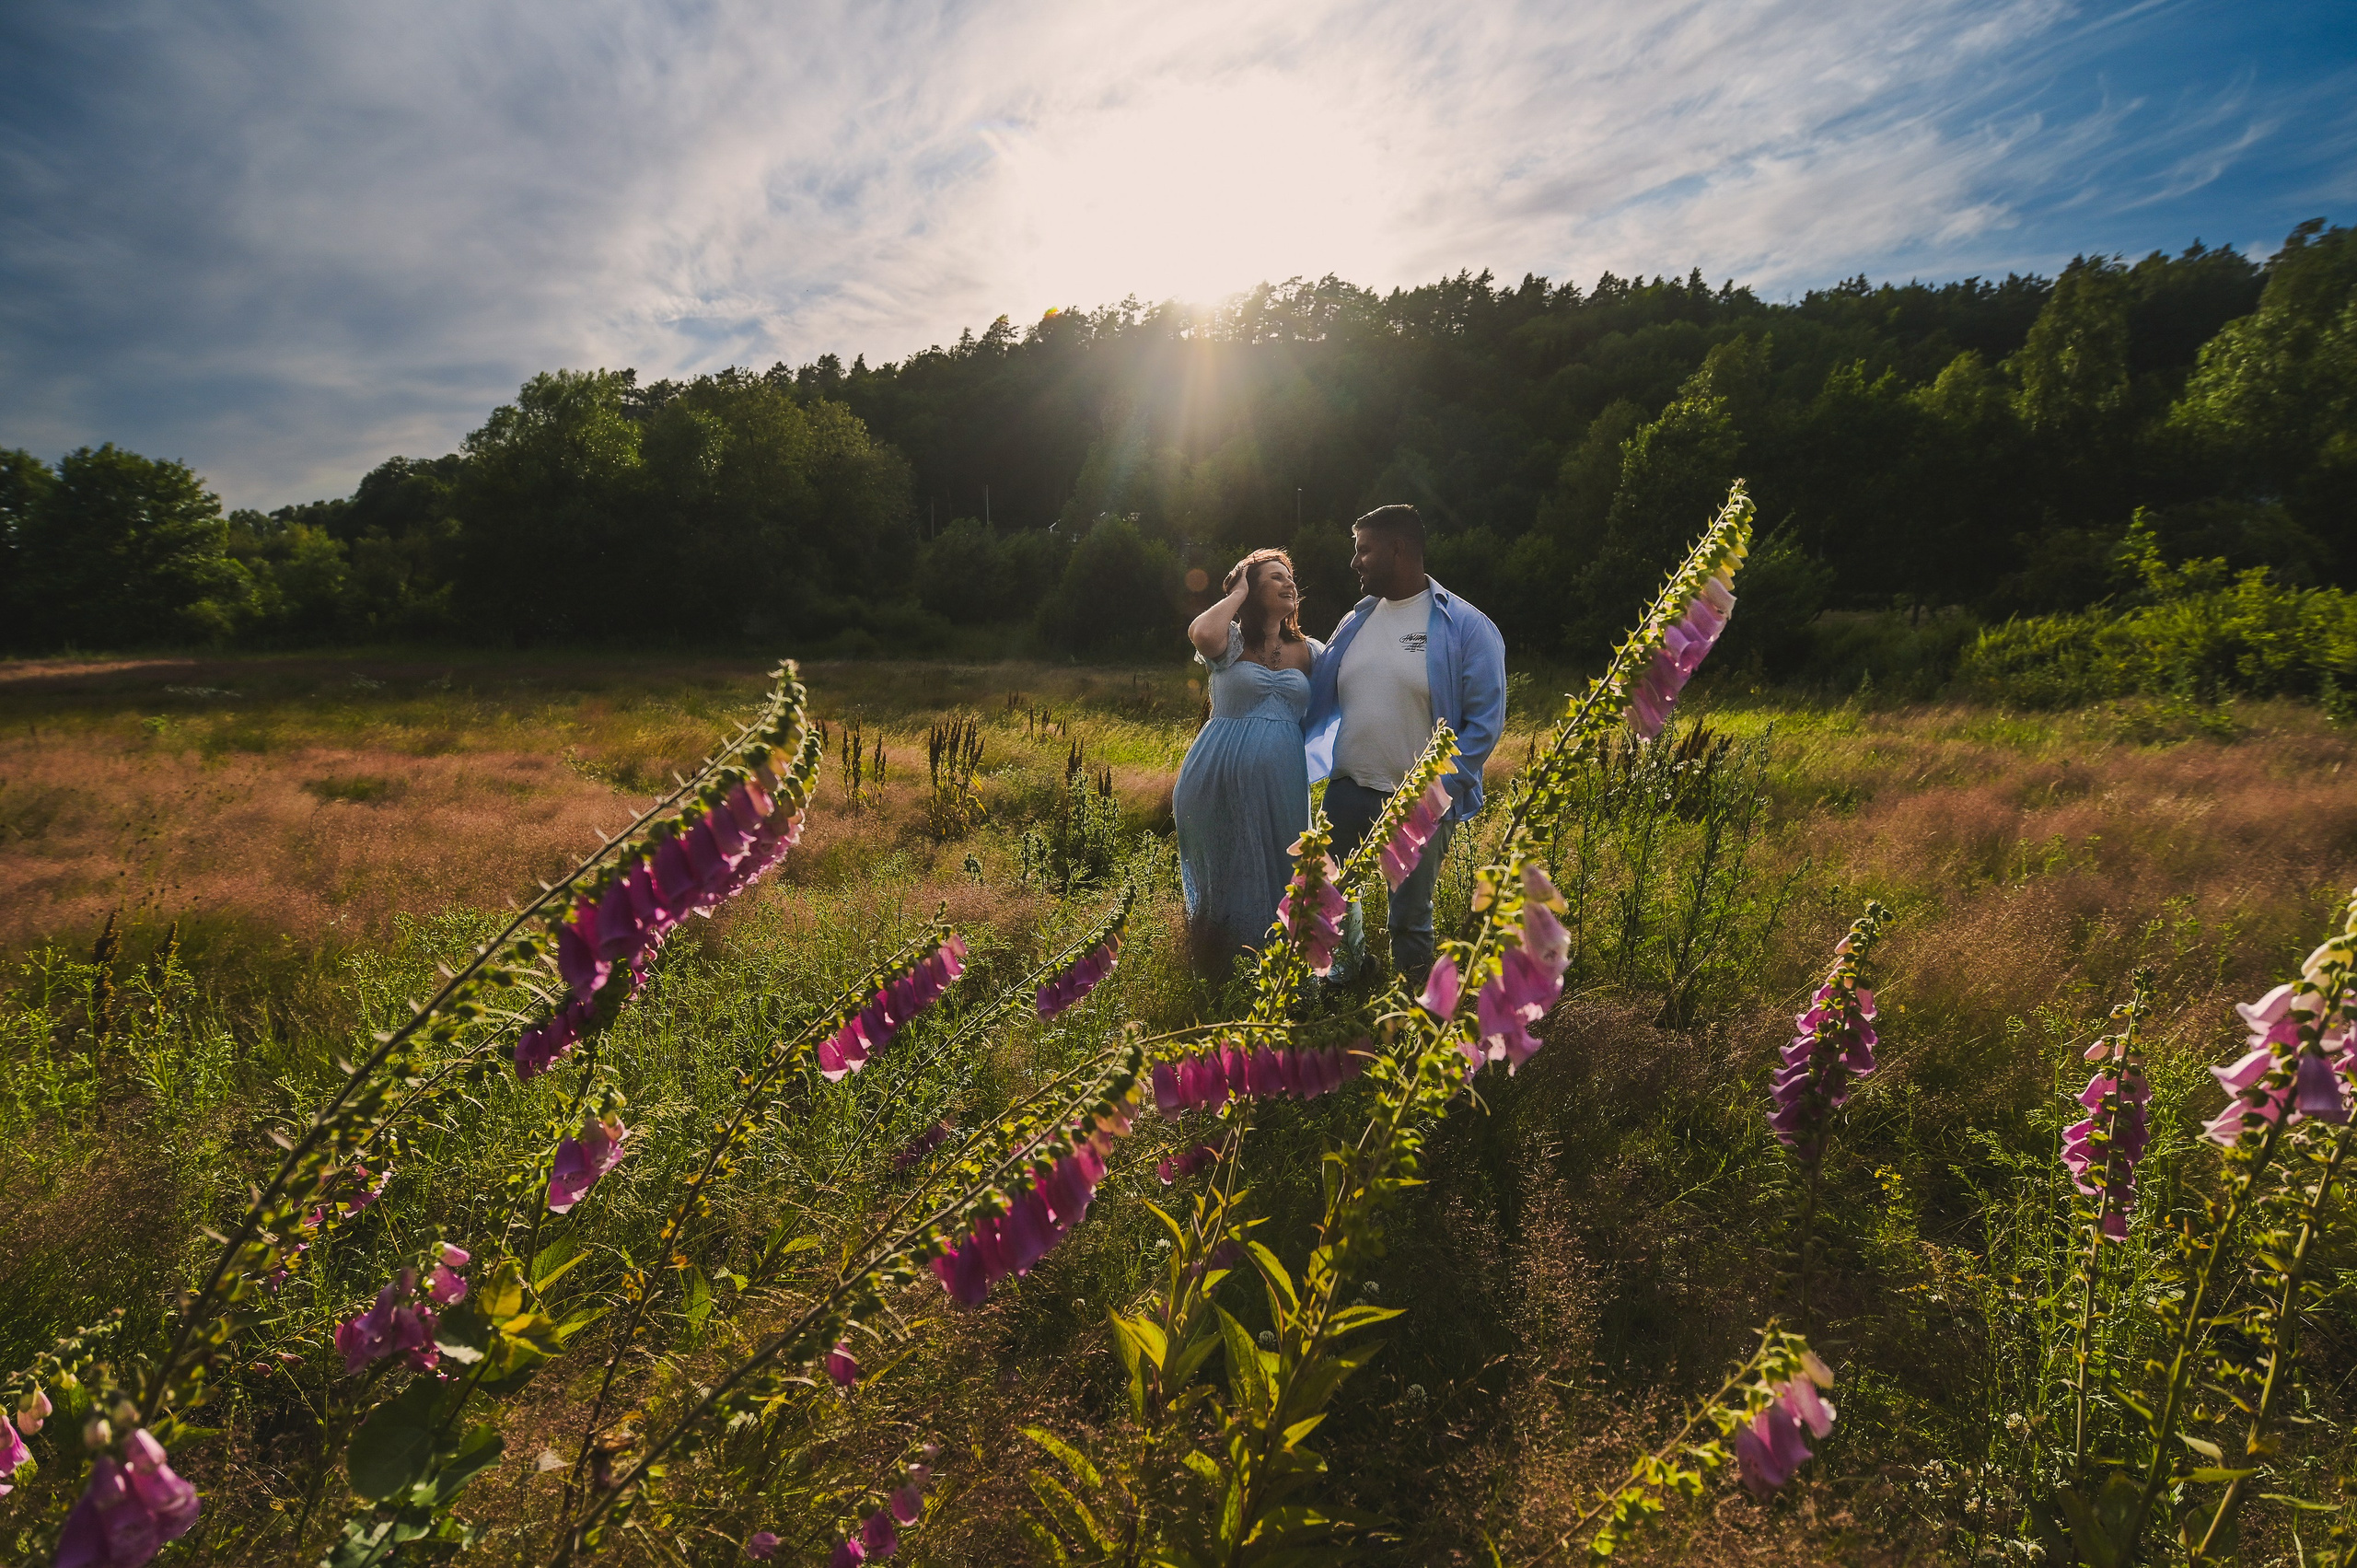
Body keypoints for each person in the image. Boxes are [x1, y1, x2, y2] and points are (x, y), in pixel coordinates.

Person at [1304, 505, 1506, 989]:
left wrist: (1437, 793)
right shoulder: (1354, 621)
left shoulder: (1465, 625)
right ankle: (1345, 983)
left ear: (1397, 550)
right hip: (1347, 791)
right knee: (1328, 902)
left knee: (1408, 918)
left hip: (1419, 802)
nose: (1354, 562)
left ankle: (1415, 1009)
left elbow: (1484, 723)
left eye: (1364, 550)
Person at [1173, 549, 1325, 972]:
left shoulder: (1310, 651)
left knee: (1286, 871)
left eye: (1290, 576)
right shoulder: (1230, 641)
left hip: (1283, 782)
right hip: (1213, 777)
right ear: (1251, 591)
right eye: (1275, 577)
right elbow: (1202, 633)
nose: (1289, 583)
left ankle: (1281, 973)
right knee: (1224, 878)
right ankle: (1219, 971)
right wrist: (1237, 592)